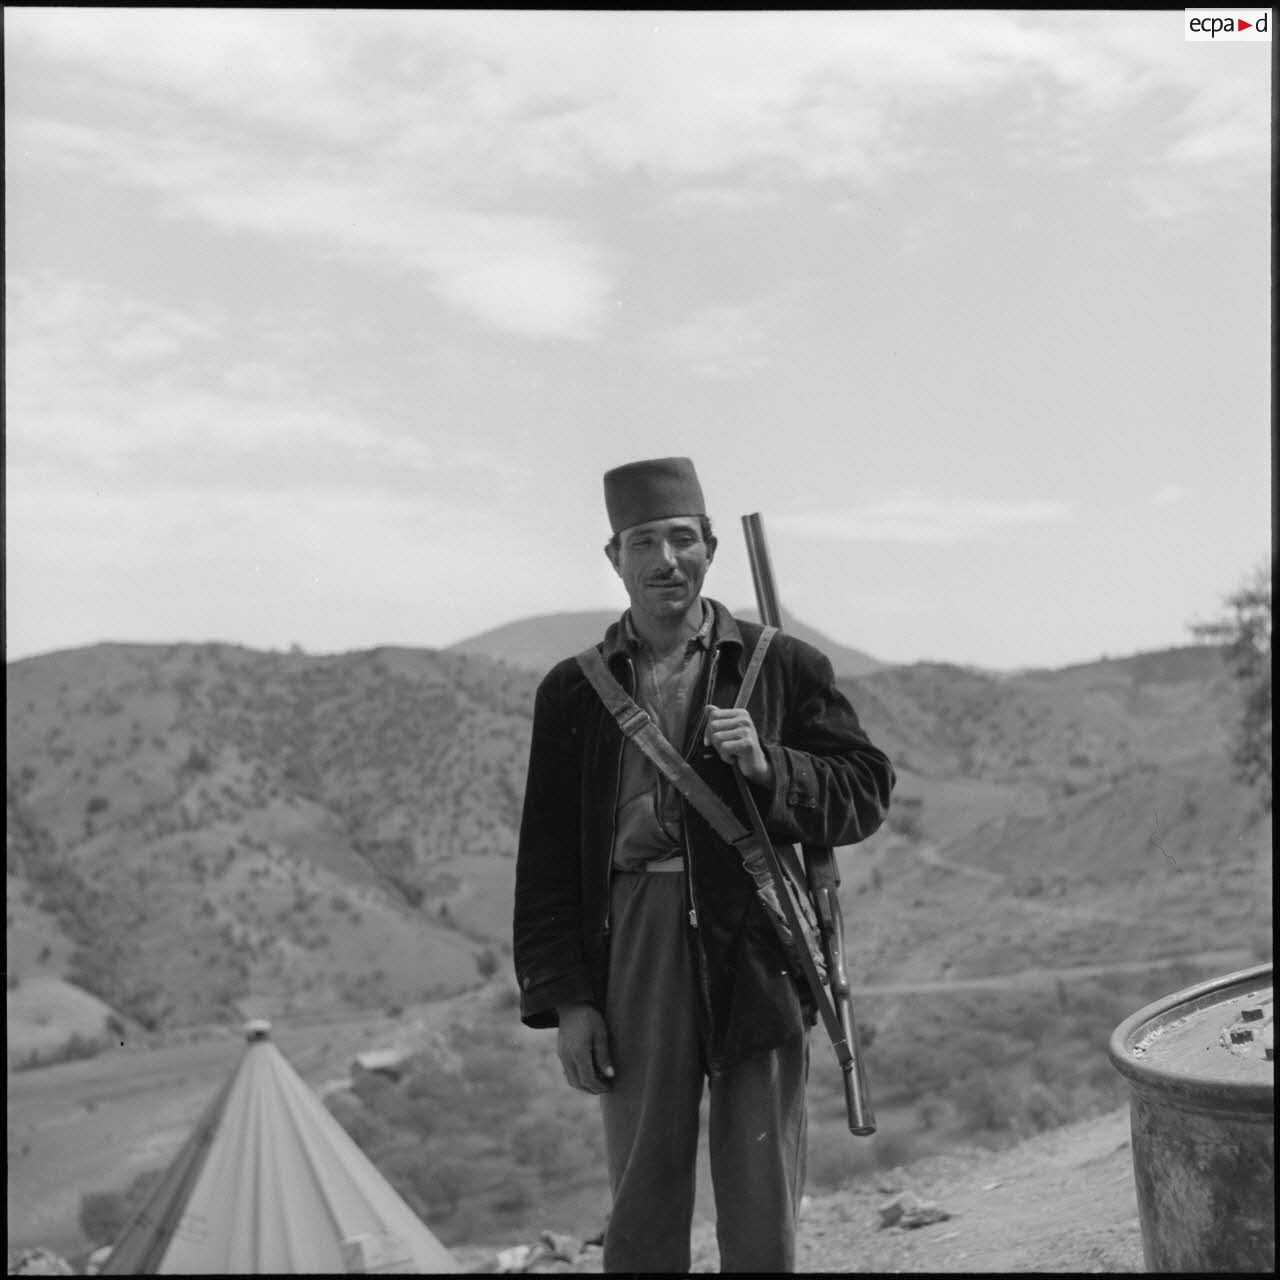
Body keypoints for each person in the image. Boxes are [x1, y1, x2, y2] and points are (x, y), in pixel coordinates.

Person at [513, 456, 895, 1273]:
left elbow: (865, 790)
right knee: (644, 1177)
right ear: (613, 557)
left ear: (711, 549)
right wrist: (568, 999)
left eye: (682, 539)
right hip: (633, 943)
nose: (665, 561)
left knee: (760, 1180)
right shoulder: (573, 691)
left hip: (756, 938)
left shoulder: (781, 666)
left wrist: (771, 767)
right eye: (643, 542)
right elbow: (545, 855)